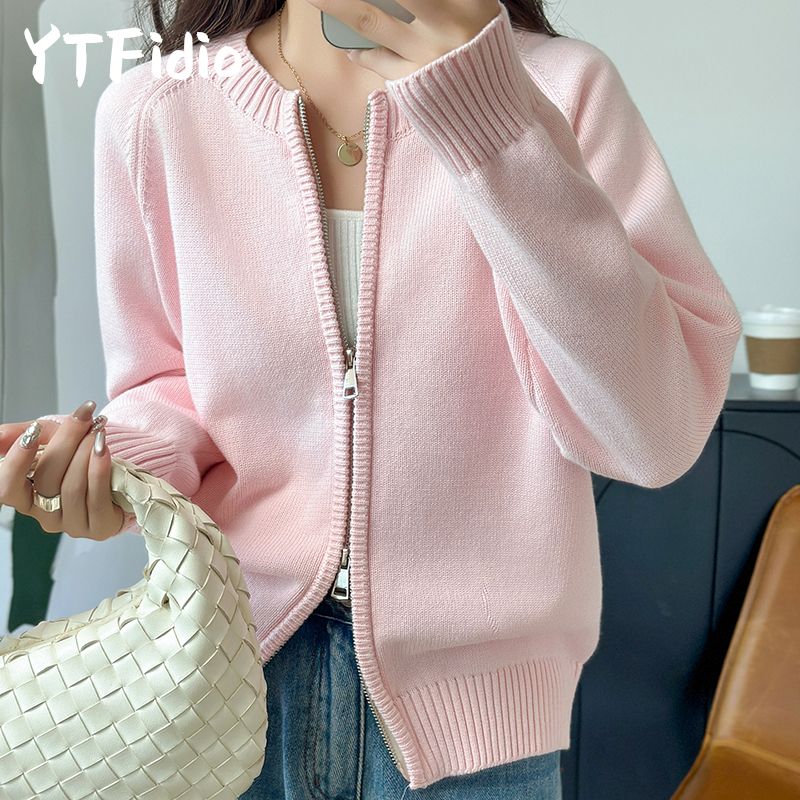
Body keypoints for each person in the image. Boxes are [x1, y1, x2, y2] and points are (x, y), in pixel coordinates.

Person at [0, 0, 742, 797]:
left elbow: (653, 435)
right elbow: (170, 384)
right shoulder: (156, 110)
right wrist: (116, 465)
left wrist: (489, 124)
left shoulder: (560, 92)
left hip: (477, 741)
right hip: (225, 698)